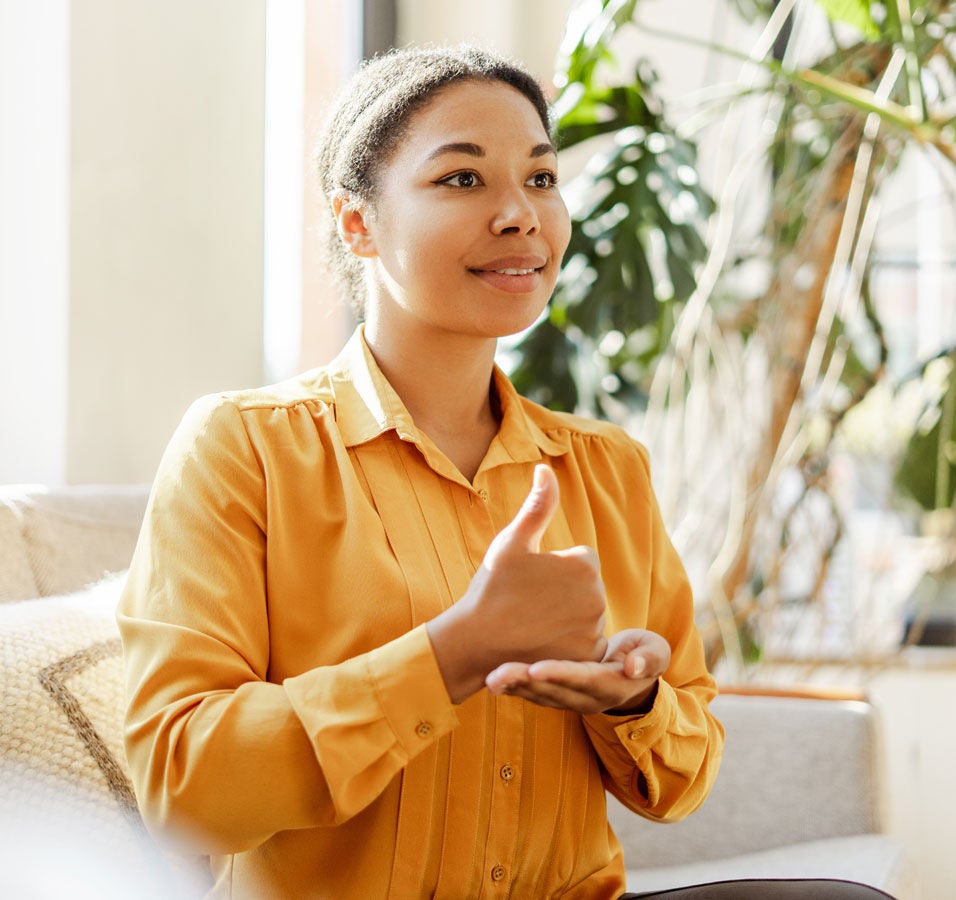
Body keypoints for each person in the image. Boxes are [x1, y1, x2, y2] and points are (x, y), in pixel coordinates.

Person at [118, 44, 892, 900]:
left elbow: (686, 775)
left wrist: (628, 702)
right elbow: (181, 789)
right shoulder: (244, 449)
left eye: (542, 178)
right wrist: (453, 653)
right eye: (462, 180)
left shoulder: (605, 471)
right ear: (357, 223)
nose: (521, 214)